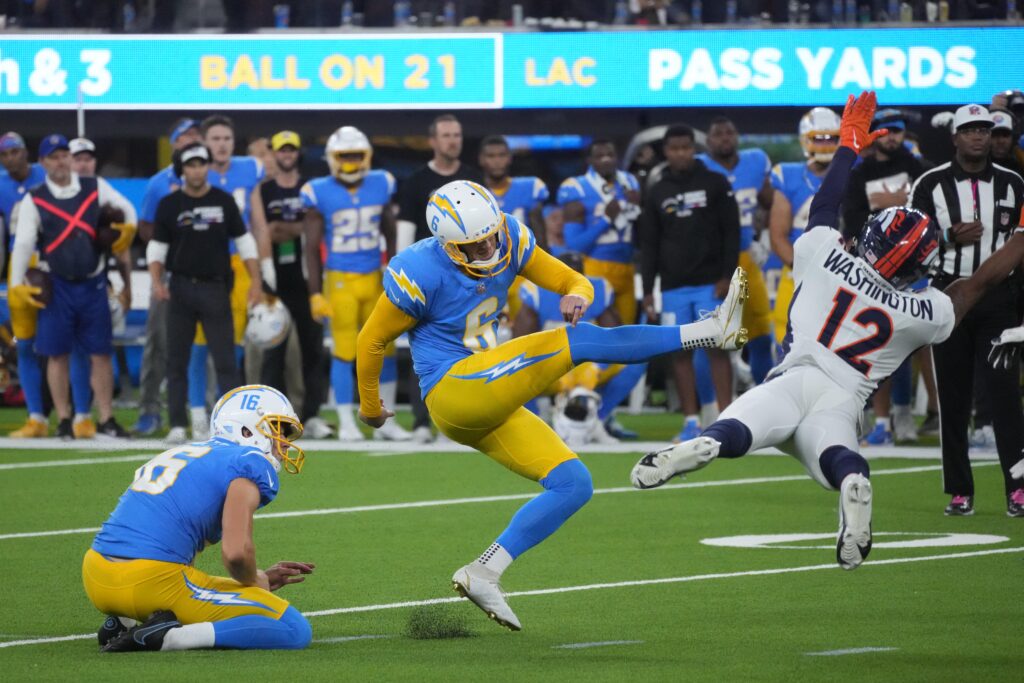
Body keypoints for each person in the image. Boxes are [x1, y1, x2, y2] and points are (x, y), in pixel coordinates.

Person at [631, 91, 1024, 569]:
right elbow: (975, 285)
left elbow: (825, 204)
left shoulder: (824, 253)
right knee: (835, 459)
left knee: (741, 426)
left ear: (871, 236)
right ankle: (853, 481)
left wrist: (849, 146)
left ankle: (709, 443)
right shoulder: (921, 311)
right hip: (845, 395)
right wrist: (1020, 234)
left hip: (796, 376)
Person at [356, 179, 748, 631]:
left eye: (491, 237)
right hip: (455, 389)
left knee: (573, 483)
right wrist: (370, 409)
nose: (488, 249)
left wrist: (579, 293)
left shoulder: (510, 235)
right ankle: (708, 331)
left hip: (488, 394)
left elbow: (570, 278)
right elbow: (371, 339)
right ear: (448, 245)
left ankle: (485, 570)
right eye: (474, 245)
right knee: (577, 342)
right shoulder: (420, 269)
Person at [84, 384, 314, 652]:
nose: (282, 443)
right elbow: (236, 554)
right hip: (149, 583)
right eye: (277, 429)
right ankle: (169, 637)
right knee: (294, 629)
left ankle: (122, 620)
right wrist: (255, 581)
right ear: (247, 428)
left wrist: (255, 577)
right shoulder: (248, 461)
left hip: (97, 576)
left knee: (190, 581)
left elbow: (180, 562)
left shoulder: (183, 453)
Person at [910, 104, 1024, 517]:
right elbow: (908, 241)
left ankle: (1018, 487)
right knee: (953, 397)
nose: (978, 136)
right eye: (970, 129)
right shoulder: (930, 183)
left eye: (984, 129)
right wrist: (946, 237)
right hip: (949, 297)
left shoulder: (1014, 182)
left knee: (1005, 395)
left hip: (999, 299)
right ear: (955, 137)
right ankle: (960, 490)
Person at [10, 134, 134, 439]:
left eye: (65, 155)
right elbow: (24, 243)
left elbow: (126, 209)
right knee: (57, 354)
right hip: (57, 283)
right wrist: (15, 284)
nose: (61, 162)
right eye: (53, 157)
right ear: (43, 163)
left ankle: (104, 417)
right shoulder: (35, 197)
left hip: (93, 282)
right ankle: (64, 418)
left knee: (100, 353)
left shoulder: (94, 186)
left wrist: (126, 231)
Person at [147, 143, 261, 444]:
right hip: (180, 287)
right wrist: (157, 282)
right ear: (181, 170)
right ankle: (177, 423)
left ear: (207, 166)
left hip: (215, 286)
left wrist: (257, 281)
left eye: (201, 163)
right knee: (177, 360)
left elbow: (245, 242)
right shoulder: (169, 204)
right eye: (190, 164)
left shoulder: (223, 201)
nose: (196, 169)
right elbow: (157, 248)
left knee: (225, 360)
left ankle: (234, 425)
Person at [303, 126, 409, 442]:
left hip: (374, 277)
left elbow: (390, 231)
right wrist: (314, 293)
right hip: (339, 280)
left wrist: (394, 269)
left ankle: (384, 421)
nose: (350, 162)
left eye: (355, 156)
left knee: (386, 349)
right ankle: (347, 420)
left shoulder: (381, 183)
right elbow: (310, 246)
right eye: (344, 156)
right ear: (332, 159)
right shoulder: (318, 190)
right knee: (344, 352)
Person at [640, 125, 740, 442]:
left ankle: (726, 418)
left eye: (686, 147)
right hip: (672, 287)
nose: (680, 153)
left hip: (711, 282)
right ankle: (691, 421)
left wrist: (728, 275)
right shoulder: (657, 190)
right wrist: (647, 291)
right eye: (674, 149)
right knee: (678, 353)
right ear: (665, 152)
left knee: (716, 348)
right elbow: (650, 245)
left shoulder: (715, 182)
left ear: (693, 149)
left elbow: (732, 232)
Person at [844, 109, 933, 445]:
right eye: (886, 131)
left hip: (913, 270)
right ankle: (878, 419)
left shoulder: (918, 169)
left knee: (905, 345)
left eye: (897, 131)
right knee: (874, 342)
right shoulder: (860, 172)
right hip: (872, 270)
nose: (893, 137)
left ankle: (903, 413)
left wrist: (891, 201)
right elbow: (850, 219)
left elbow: (930, 215)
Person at [396, 114, 484, 442]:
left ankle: (457, 420)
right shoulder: (417, 182)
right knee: (422, 348)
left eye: (457, 134)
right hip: (428, 277)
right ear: (433, 140)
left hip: (466, 277)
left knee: (466, 348)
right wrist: (401, 274)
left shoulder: (472, 179)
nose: (452, 140)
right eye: (446, 135)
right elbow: (405, 232)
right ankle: (421, 422)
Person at [514, 251, 646, 445]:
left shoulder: (598, 290)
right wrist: (549, 368)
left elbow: (615, 341)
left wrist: (597, 368)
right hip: (549, 368)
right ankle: (537, 423)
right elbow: (520, 347)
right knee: (515, 371)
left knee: (635, 361)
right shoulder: (536, 293)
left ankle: (598, 419)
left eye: (577, 275)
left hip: (587, 367)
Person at [250, 131, 332, 439]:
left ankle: (311, 415)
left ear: (298, 153)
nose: (286, 154)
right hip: (274, 282)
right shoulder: (264, 190)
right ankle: (273, 418)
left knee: (313, 349)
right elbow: (264, 232)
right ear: (273, 153)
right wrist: (291, 229)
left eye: (291, 150)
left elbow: (314, 229)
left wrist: (283, 228)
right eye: (281, 150)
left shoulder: (310, 188)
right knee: (274, 353)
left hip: (309, 281)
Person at [188, 115, 265, 440]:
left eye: (226, 139)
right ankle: (195, 415)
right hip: (205, 265)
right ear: (205, 142)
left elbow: (258, 221)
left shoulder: (249, 169)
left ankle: (227, 414)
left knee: (232, 341)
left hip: (241, 262)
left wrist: (263, 270)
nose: (221, 144)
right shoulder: (193, 171)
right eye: (215, 138)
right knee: (199, 342)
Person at [134, 118, 204, 436]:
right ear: (173, 143)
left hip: (205, 275)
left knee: (208, 347)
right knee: (159, 342)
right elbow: (145, 226)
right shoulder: (159, 183)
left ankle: (208, 410)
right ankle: (149, 409)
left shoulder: (211, 179)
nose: (190, 140)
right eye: (184, 136)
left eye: (195, 136)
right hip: (170, 273)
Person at [698, 116, 775, 387]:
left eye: (729, 133)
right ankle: (706, 412)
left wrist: (761, 233)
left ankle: (765, 400)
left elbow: (771, 202)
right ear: (708, 141)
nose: (725, 139)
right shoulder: (699, 168)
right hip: (710, 261)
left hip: (745, 256)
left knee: (761, 333)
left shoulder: (755, 161)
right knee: (706, 338)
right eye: (718, 134)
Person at [767, 106, 840, 351]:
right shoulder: (787, 175)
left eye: (831, 138)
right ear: (806, 139)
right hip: (798, 273)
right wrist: (805, 270)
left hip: (846, 274)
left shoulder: (855, 171)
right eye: (819, 138)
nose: (825, 144)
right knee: (789, 344)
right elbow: (778, 236)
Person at [558, 139, 642, 327]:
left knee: (628, 335)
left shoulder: (629, 182)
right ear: (589, 160)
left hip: (628, 268)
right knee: (602, 337)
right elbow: (574, 245)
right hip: (596, 268)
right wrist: (605, 220)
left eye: (610, 155)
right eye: (599, 156)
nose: (606, 160)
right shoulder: (577, 187)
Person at [0, 131, 49, 437]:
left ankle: (74, 412)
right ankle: (36, 416)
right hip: (19, 269)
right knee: (25, 343)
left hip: (54, 265)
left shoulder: (48, 176)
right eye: (4, 154)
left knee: (61, 346)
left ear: (26, 152)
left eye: (14, 151)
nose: (10, 158)